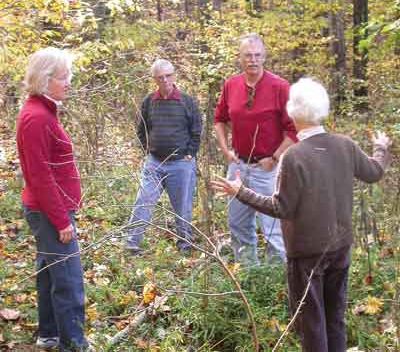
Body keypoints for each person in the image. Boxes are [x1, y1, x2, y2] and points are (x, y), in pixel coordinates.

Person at [211, 77, 391, 352]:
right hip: (340, 247)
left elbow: (281, 207)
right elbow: (375, 171)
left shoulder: (294, 156)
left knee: (312, 325)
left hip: (306, 255)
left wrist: (240, 192)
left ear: (293, 112)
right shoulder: (345, 145)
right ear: (323, 109)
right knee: (335, 320)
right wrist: (381, 146)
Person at [16, 48, 89, 350]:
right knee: (69, 278)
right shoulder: (36, 117)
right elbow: (40, 176)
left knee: (49, 272)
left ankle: (49, 334)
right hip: (48, 212)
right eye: (63, 77)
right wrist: (61, 220)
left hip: (48, 209)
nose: (68, 82)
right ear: (45, 80)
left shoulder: (43, 111)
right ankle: (73, 344)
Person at [214, 33, 297, 265]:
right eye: (248, 55)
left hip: (268, 168)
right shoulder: (231, 85)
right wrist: (224, 149)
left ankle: (275, 281)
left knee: (272, 227)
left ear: (264, 56)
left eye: (257, 55)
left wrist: (275, 156)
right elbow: (219, 118)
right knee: (238, 223)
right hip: (238, 167)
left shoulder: (280, 87)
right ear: (240, 58)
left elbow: (294, 129)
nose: (253, 60)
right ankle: (249, 275)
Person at [126, 59, 202, 254]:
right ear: (155, 79)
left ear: (174, 76)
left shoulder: (187, 102)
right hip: (155, 162)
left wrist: (190, 154)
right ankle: (131, 244)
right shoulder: (149, 102)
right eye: (160, 77)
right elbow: (141, 129)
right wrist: (147, 150)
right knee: (143, 200)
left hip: (180, 164)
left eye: (168, 76)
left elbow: (196, 130)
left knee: (182, 206)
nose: (165, 80)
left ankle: (185, 244)